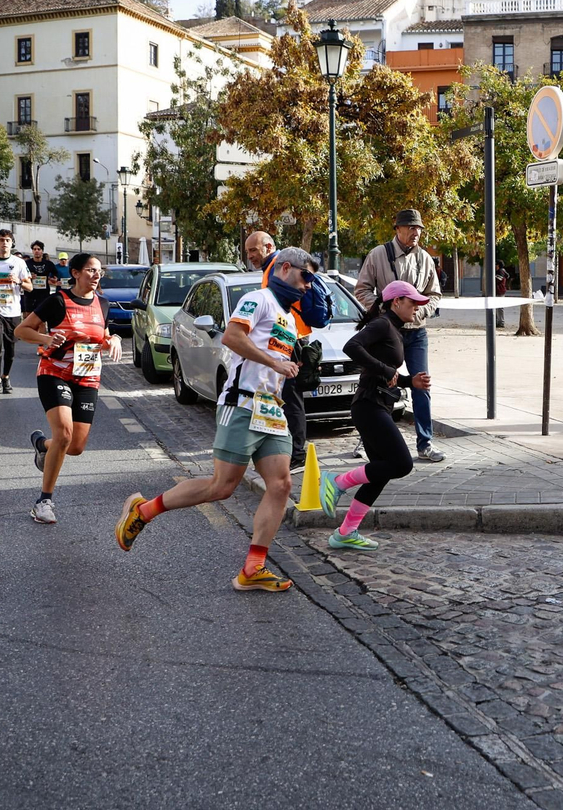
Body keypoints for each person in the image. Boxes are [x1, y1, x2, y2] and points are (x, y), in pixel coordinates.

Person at [114, 249, 310, 590]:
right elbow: (233, 337)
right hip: (243, 404)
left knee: (281, 485)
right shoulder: (258, 299)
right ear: (285, 268)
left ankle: (253, 569)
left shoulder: (290, 317)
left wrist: (293, 368)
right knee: (221, 487)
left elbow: (275, 359)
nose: (308, 286)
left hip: (271, 410)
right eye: (305, 277)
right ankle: (143, 511)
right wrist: (274, 363)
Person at [316, 280, 438, 550]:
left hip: (377, 404)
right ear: (396, 302)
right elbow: (352, 347)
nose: (417, 309)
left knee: (380, 473)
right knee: (402, 464)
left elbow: (387, 374)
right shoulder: (383, 324)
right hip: (368, 406)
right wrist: (386, 370)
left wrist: (409, 382)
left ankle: (345, 532)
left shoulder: (394, 329)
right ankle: (336, 481)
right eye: (413, 303)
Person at [17, 253, 121, 523]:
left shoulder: (104, 303)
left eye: (99, 271)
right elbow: (22, 331)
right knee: (64, 434)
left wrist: (114, 339)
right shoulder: (57, 301)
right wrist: (47, 337)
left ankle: (43, 445)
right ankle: (43, 502)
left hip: (87, 377)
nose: (96, 275)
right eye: (90, 270)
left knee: (74, 446)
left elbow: (103, 335)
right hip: (54, 373)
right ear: (75, 273)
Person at [354, 209, 446, 462]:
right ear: (397, 229)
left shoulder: (426, 258)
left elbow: (434, 294)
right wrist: (385, 311)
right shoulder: (378, 254)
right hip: (386, 332)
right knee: (376, 384)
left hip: (416, 333)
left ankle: (425, 443)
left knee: (421, 384)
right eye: (411, 227)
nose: (416, 232)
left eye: (419, 228)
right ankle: (367, 439)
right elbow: (361, 289)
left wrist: (419, 312)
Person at [245, 230, 332, 473]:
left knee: (291, 400)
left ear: (269, 246)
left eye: (254, 250)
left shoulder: (279, 268)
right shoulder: (272, 269)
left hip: (291, 341)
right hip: (290, 339)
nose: (250, 255)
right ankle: (285, 450)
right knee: (285, 399)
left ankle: (297, 455)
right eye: (248, 251)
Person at [0, 229, 34, 394]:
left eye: (7, 240)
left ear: (12, 243)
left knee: (10, 348)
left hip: (13, 310)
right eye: (1, 240)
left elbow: (30, 287)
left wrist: (18, 281)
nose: (4, 243)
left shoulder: (19, 263)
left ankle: (6, 377)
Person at [22, 240, 58, 317]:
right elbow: (21, 276)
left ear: (42, 251)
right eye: (34, 249)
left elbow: (55, 276)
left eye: (38, 249)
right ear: (32, 251)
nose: (36, 251)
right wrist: (29, 276)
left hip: (43, 295)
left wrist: (53, 279)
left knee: (41, 319)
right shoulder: (26, 263)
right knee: (28, 317)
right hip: (30, 294)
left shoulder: (48, 264)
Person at [494, 264, 510, 329]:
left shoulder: (500, 272)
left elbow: (498, 279)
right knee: (498, 307)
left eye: (495, 264)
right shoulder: (501, 271)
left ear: (498, 265)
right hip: (499, 291)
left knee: (500, 307)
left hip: (499, 291)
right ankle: (498, 322)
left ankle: (501, 322)